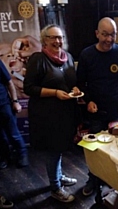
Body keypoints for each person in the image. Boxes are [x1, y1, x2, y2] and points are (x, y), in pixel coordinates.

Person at [77, 17, 118, 196]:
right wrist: (88, 101)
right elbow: (80, 82)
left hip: (116, 111)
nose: (109, 39)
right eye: (105, 34)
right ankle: (93, 180)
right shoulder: (86, 54)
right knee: (94, 149)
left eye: (112, 34)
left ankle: (112, 180)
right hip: (95, 112)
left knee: (116, 148)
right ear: (97, 34)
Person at [23, 24, 80, 203]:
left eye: (60, 37)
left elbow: (70, 81)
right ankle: (55, 187)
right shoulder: (37, 59)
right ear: (44, 40)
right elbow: (29, 88)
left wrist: (75, 88)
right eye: (53, 38)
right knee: (52, 151)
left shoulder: (68, 57)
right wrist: (55, 93)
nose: (57, 41)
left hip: (65, 113)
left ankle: (59, 175)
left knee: (60, 147)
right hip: (46, 116)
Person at [0, 56, 29, 169]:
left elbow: (9, 83)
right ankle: (5, 157)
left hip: (3, 105)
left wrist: (15, 101)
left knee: (13, 133)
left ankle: (22, 155)